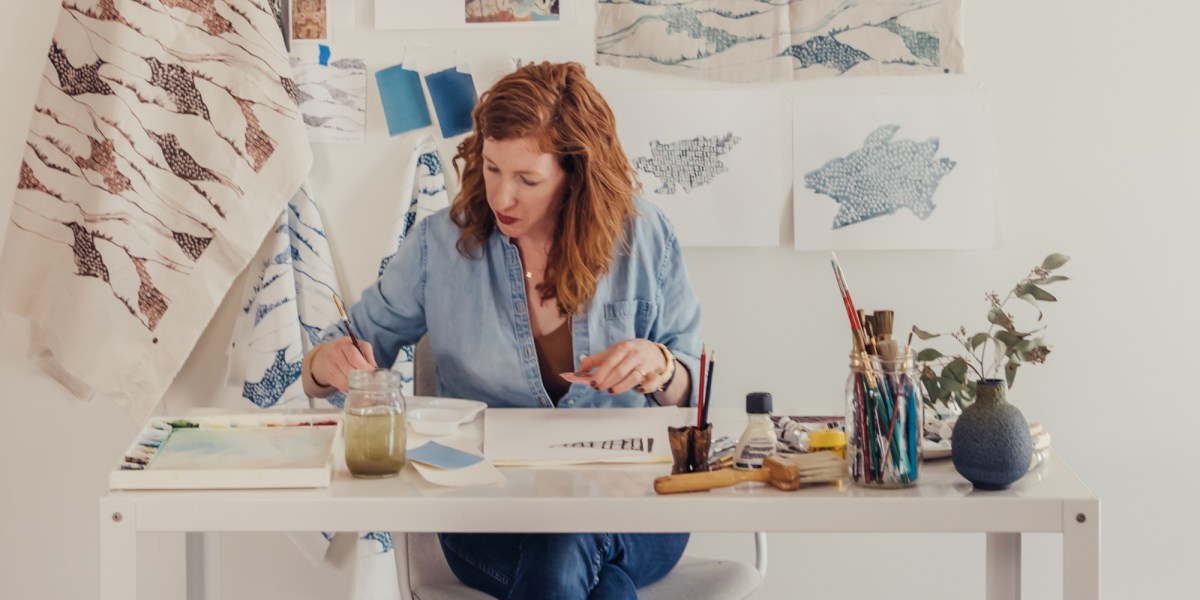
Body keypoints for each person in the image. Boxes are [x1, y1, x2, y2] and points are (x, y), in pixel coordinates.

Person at [302, 61, 701, 599]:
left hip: (632, 505)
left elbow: (696, 390)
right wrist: (326, 364)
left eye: (527, 179)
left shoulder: (644, 235)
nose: (501, 197)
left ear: (576, 173)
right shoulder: (438, 248)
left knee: (568, 543)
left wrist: (663, 368)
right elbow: (337, 354)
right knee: (593, 580)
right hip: (486, 512)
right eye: (491, 169)